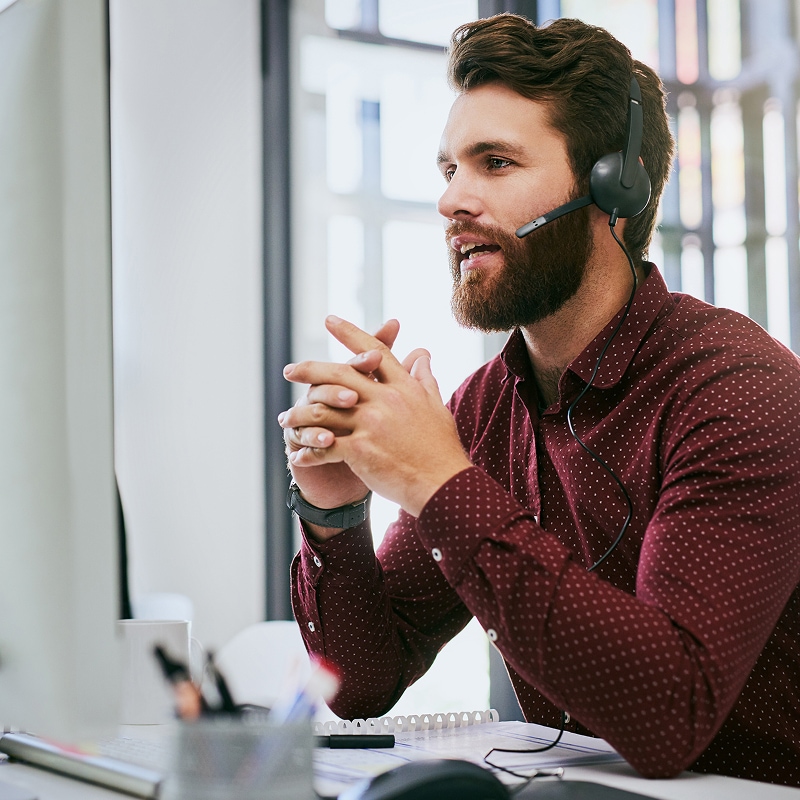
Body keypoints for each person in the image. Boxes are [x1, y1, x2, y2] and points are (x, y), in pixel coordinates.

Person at [278, 13, 800, 787]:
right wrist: (333, 512)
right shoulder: (487, 407)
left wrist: (435, 481)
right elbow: (359, 684)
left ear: (614, 184)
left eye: (495, 162)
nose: (453, 200)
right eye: (448, 169)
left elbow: (670, 710)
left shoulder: (737, 389)